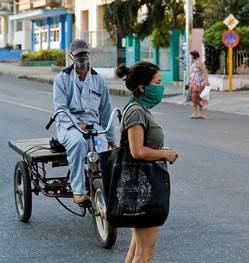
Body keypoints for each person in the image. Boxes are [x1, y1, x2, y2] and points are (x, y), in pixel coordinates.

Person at [115, 61, 179, 263]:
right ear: (142, 87)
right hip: (143, 187)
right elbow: (137, 151)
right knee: (145, 253)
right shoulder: (136, 111)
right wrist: (164, 154)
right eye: (158, 82)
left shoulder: (140, 108)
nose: (161, 87)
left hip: (142, 185)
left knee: (136, 249)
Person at [53, 39, 117, 204]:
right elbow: (60, 109)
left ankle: (103, 189)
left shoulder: (99, 80)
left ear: (89, 55)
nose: (82, 59)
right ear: (71, 57)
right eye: (78, 56)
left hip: (92, 125)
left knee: (101, 147)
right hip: (69, 125)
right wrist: (76, 124)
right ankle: (79, 192)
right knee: (78, 143)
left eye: (85, 55)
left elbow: (105, 110)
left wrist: (111, 137)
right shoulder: (61, 79)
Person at [187, 50, 209, 119]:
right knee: (195, 98)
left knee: (198, 98)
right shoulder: (193, 64)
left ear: (193, 56)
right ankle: (198, 113)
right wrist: (188, 82)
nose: (190, 57)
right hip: (194, 84)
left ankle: (197, 113)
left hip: (199, 84)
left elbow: (205, 72)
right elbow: (191, 75)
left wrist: (206, 81)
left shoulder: (199, 63)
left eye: (191, 55)